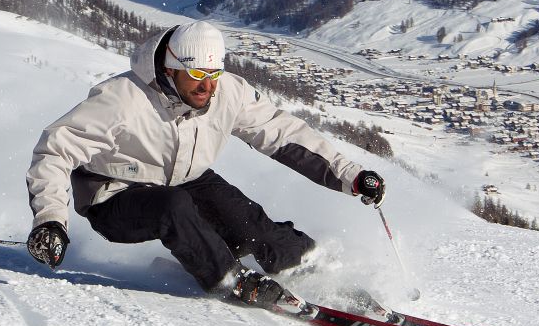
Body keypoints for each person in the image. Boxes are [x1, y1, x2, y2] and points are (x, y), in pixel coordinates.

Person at [24, 21, 385, 305]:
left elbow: (281, 133)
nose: (206, 87)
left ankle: (305, 265)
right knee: (174, 207)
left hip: (184, 178)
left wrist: (350, 176)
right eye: (196, 77)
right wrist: (51, 221)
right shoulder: (122, 99)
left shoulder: (227, 91)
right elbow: (56, 150)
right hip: (113, 193)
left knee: (245, 217)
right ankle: (230, 278)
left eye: (212, 76)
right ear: (170, 69)